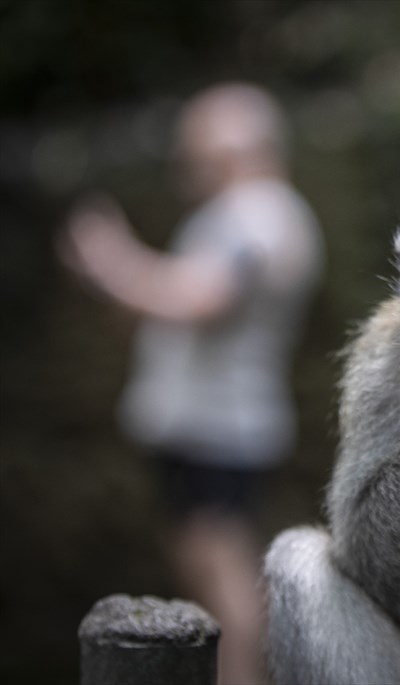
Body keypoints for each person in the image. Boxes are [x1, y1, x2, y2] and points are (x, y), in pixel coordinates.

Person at [61, 83, 324, 685]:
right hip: (203, 427)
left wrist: (110, 259)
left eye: (199, 142)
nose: (188, 157)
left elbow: (199, 298)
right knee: (204, 577)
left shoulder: (258, 214)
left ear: (237, 145)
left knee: (223, 584)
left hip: (221, 429)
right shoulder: (242, 214)